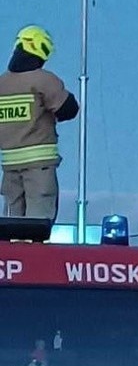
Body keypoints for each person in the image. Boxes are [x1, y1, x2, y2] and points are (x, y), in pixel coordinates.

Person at [0, 27, 78, 223]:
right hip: (39, 169)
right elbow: (69, 109)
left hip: (10, 168)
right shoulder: (43, 81)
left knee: (11, 224)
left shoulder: (2, 85)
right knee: (37, 225)